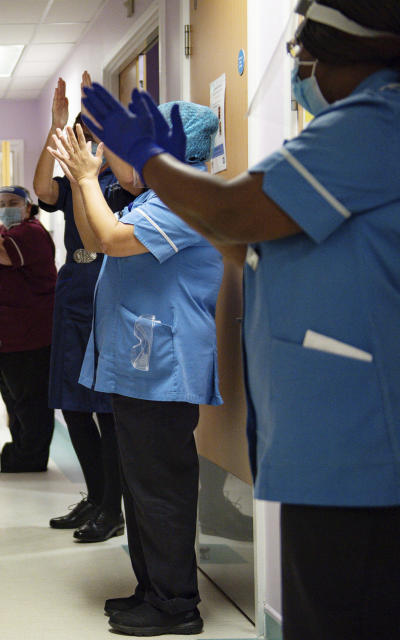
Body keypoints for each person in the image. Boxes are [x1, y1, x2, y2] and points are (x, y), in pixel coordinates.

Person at [79, 2, 400, 637]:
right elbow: (245, 242)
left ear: (359, 51)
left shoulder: (372, 122)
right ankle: (157, 592)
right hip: (331, 436)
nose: (301, 67)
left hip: (359, 440)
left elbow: (229, 217)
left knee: (344, 607)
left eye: (307, 53)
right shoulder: (356, 128)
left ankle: (171, 601)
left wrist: (148, 157)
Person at [49, 100, 222, 636]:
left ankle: (177, 605)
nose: (113, 155)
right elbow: (91, 234)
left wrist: (85, 175)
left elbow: (107, 240)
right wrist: (84, 184)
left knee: (160, 488)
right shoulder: (150, 200)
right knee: (141, 486)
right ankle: (152, 590)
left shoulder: (184, 200)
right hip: (139, 366)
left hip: (164, 371)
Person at [35, 75, 139, 541]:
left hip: (105, 284)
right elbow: (41, 189)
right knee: (72, 404)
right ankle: (96, 497)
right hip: (73, 286)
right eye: (81, 133)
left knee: (105, 407)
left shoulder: (126, 181)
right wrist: (55, 127)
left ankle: (112, 507)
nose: (88, 140)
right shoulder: (75, 180)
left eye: (94, 132)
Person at [0, 186, 57, 473]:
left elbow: (2, 252)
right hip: (10, 334)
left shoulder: (32, 233)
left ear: (28, 207)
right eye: (2, 203)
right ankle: (21, 450)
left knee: (30, 401)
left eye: (13, 202)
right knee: (15, 401)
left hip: (32, 334)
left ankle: (31, 456)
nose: (7, 207)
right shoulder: (3, 231)